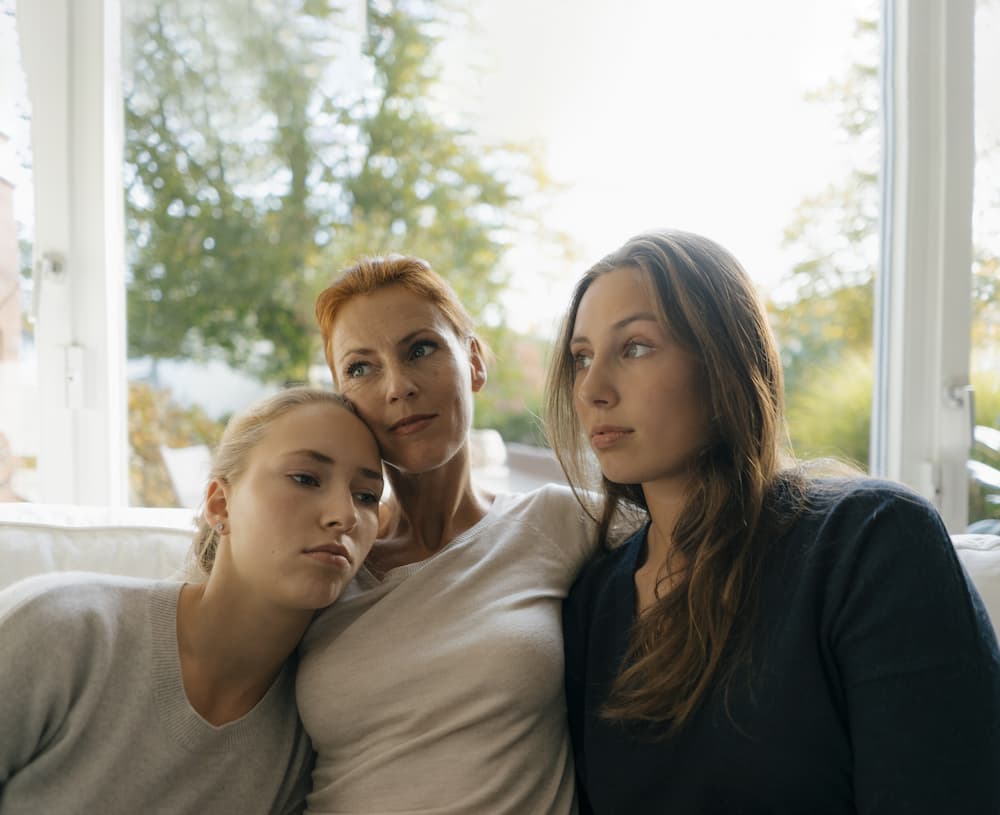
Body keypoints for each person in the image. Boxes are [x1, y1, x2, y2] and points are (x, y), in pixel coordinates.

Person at [545, 229, 1000, 814]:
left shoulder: (871, 542)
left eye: (634, 347)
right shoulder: (591, 603)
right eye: (581, 358)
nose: (591, 389)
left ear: (724, 363)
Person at [299, 255, 596, 814]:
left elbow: (708, 521)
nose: (399, 387)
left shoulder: (556, 523)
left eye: (420, 349)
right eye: (361, 368)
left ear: (474, 361)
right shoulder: (326, 554)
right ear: (341, 397)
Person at [0, 387, 383, 815]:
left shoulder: (317, 731)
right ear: (220, 504)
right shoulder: (58, 630)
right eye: (306, 478)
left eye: (366, 495)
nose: (345, 515)